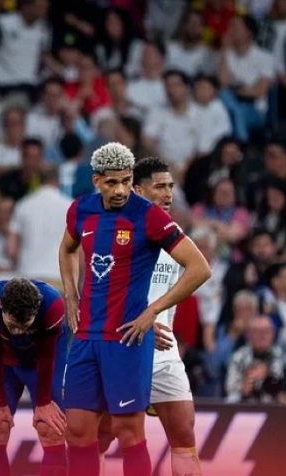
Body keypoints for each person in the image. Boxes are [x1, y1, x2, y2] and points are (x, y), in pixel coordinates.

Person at [58, 143, 211, 476]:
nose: (120, 190)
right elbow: (67, 247)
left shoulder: (149, 216)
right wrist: (70, 294)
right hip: (85, 339)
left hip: (126, 342)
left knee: (129, 433)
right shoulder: (81, 210)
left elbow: (200, 268)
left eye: (126, 181)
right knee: (78, 433)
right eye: (112, 182)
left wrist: (151, 311)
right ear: (96, 180)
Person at [97, 157, 203, 475]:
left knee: (184, 435)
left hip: (163, 352)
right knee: (101, 438)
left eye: (171, 186)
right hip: (119, 348)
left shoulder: (175, 234)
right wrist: (136, 321)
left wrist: (155, 316)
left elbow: (195, 275)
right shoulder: (114, 232)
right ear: (138, 190)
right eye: (160, 187)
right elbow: (96, 296)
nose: (168, 194)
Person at [0, 277, 68, 476]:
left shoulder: (53, 305)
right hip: (3, 362)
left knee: (51, 429)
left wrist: (44, 402)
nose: (18, 332)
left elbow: (47, 356)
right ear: (0, 305)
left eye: (25, 325)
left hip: (45, 362)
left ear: (38, 308)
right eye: (12, 324)